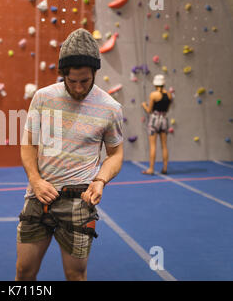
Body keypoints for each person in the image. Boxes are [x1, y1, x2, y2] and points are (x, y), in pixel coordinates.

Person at [16, 28, 124, 281]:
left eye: (84, 81)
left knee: (75, 275)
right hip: (38, 196)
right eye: (71, 80)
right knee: (23, 271)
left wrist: (100, 180)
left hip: (79, 201)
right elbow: (28, 144)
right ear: (63, 74)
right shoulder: (43, 98)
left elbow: (116, 153)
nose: (77, 87)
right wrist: (35, 180)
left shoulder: (110, 108)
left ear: (95, 73)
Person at [141, 74, 172, 175]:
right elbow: (167, 109)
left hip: (154, 119)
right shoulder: (169, 95)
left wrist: (144, 106)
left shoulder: (153, 94)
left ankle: (151, 169)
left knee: (153, 145)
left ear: (155, 84)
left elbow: (150, 111)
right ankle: (165, 168)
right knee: (164, 145)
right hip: (164, 119)